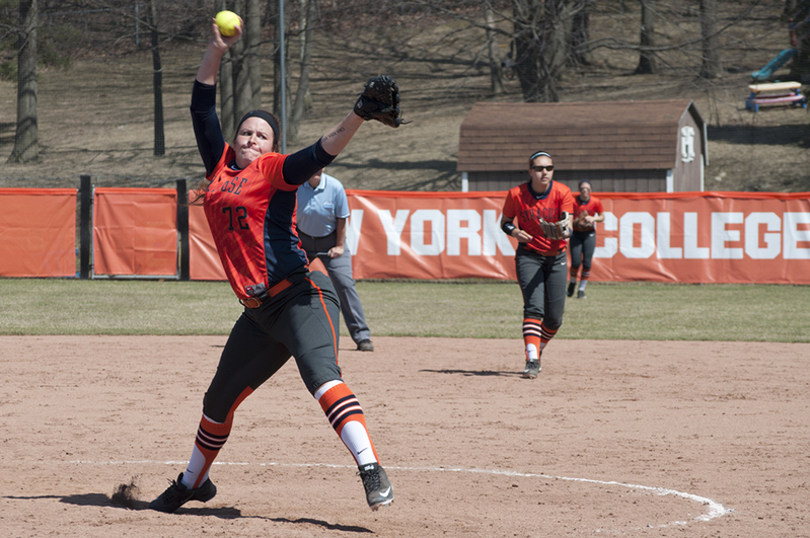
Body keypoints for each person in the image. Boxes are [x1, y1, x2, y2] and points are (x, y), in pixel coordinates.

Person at [148, 18, 394, 514]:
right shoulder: (219, 168)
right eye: (246, 131)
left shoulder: (274, 171)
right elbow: (200, 106)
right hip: (257, 313)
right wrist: (215, 50)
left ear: (270, 144)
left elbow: (321, 150)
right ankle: (193, 482)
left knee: (321, 377)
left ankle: (370, 466)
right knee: (217, 401)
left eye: (262, 134)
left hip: (302, 295)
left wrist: (358, 115)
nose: (252, 138)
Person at [500, 152, 574, 380]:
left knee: (554, 319)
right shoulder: (516, 194)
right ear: (530, 171)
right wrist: (515, 232)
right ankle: (532, 358)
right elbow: (505, 222)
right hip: (529, 255)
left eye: (549, 168)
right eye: (540, 168)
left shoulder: (562, 192)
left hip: (557, 257)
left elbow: (568, 224)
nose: (545, 172)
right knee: (533, 308)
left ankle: (538, 347)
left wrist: (563, 229)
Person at [296, 169, 374, 352]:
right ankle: (284, 334)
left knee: (344, 284)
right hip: (303, 240)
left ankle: (362, 336)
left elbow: (341, 219)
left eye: (320, 166)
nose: (315, 169)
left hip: (331, 239)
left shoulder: (334, 186)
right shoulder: (296, 186)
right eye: (312, 166)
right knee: (288, 281)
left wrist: (339, 246)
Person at [567, 180, 604, 300]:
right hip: (576, 233)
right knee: (576, 262)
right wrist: (575, 221)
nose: (585, 191)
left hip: (589, 234)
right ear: (579, 189)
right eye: (582, 188)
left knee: (587, 263)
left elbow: (602, 216)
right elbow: (567, 216)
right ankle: (572, 282)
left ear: (590, 190)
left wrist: (592, 218)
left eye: (587, 189)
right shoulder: (573, 201)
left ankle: (581, 289)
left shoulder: (595, 201)